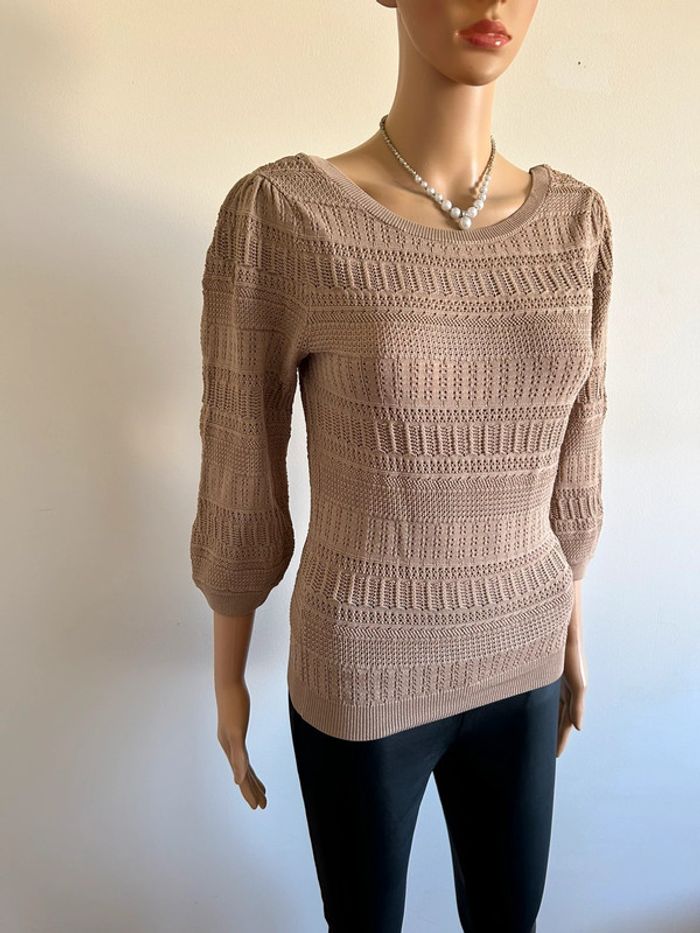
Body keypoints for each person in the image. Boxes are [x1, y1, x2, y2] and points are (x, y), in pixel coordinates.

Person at [189, 2, 613, 930]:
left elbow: (579, 446)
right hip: (363, 662)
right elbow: (239, 452)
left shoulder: (578, 222)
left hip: (527, 647)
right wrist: (229, 675)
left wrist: (573, 635)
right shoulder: (287, 215)